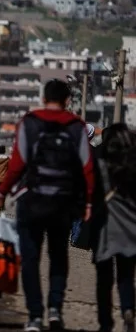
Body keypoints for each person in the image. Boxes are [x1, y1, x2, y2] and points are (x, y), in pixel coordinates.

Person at [0, 79, 95, 332]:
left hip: (32, 201)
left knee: (30, 258)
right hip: (63, 203)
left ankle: (35, 316)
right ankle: (56, 310)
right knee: (58, 256)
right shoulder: (77, 126)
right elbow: (87, 168)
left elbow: (17, 164)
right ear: (68, 100)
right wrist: (89, 201)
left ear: (44, 98)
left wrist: (1, 193)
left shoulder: (30, 123)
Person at [90, 124, 136, 332]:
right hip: (130, 226)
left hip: (105, 225)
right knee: (126, 275)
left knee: (104, 278)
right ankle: (128, 309)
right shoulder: (133, 161)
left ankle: (105, 322)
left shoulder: (99, 159)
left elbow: (91, 192)